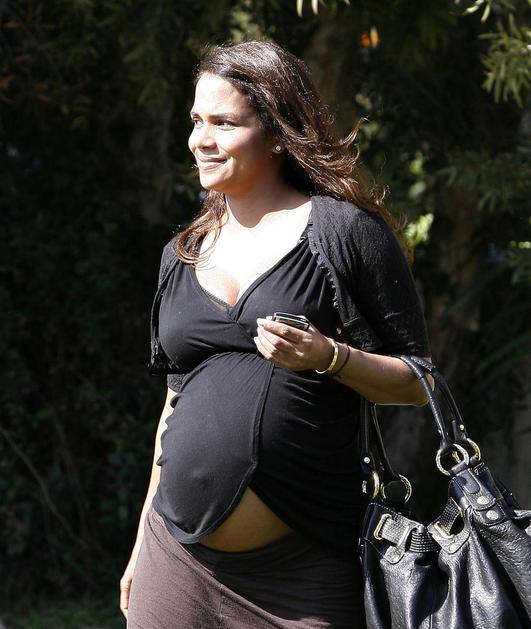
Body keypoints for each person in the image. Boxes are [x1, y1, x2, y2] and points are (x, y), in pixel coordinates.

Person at [120, 40, 431, 629]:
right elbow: (173, 405)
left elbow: (418, 383)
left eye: (223, 123)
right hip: (176, 559)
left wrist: (329, 357)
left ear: (277, 134)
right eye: (196, 120)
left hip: (304, 570)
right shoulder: (182, 252)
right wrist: (140, 545)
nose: (199, 139)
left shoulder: (345, 233)